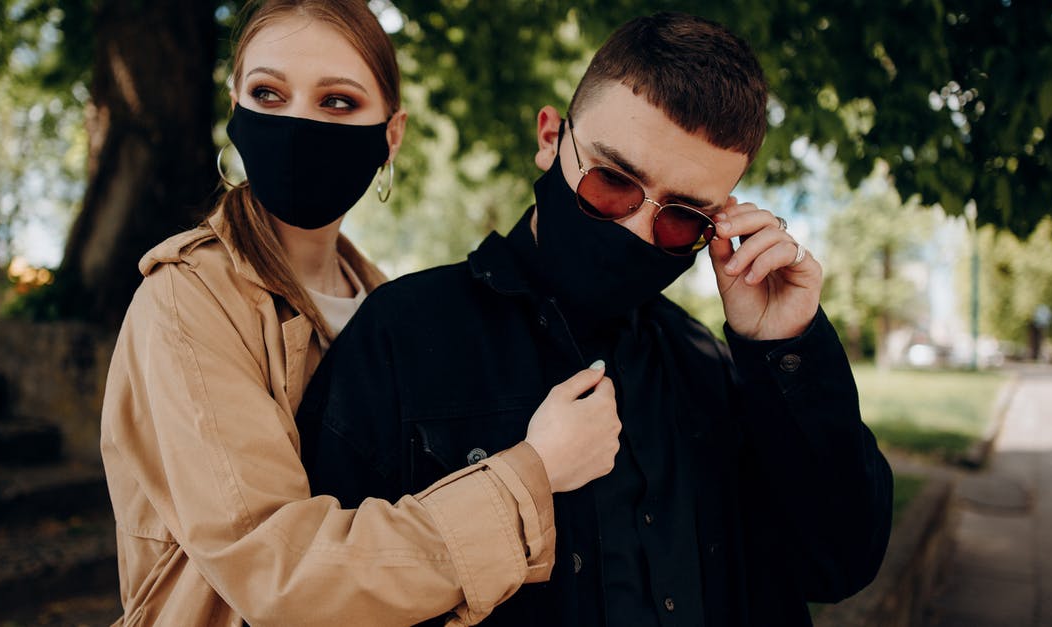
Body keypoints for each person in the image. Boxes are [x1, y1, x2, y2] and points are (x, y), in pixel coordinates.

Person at [298, 11, 894, 627]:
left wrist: (784, 348)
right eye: (613, 182)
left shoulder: (710, 365)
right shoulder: (403, 334)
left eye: (682, 218)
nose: (635, 230)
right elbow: (322, 594)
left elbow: (840, 564)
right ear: (551, 137)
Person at [99, 1, 623, 625]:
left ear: (390, 135)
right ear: (235, 105)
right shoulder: (187, 301)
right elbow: (280, 573)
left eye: (338, 102)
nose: (298, 123)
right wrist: (532, 473)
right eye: (268, 93)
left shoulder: (388, 308)